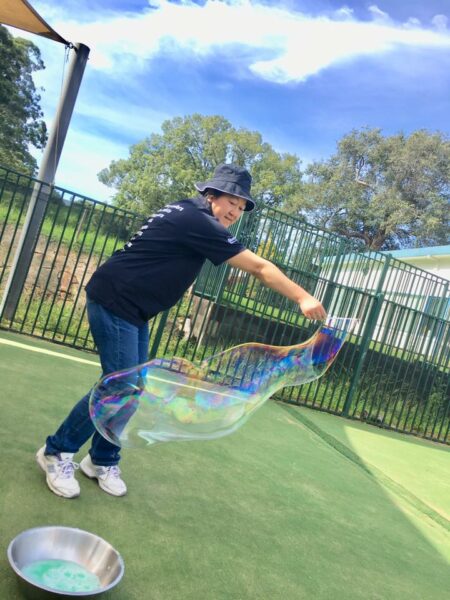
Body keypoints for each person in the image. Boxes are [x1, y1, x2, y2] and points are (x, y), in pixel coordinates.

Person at [36, 163, 327, 499]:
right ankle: (56, 452)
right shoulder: (197, 220)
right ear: (211, 194)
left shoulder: (189, 213)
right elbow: (261, 268)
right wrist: (303, 296)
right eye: (231, 200)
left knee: (132, 385)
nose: (236, 210)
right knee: (121, 384)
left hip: (133, 308)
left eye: (242, 206)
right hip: (116, 300)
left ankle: (101, 460)